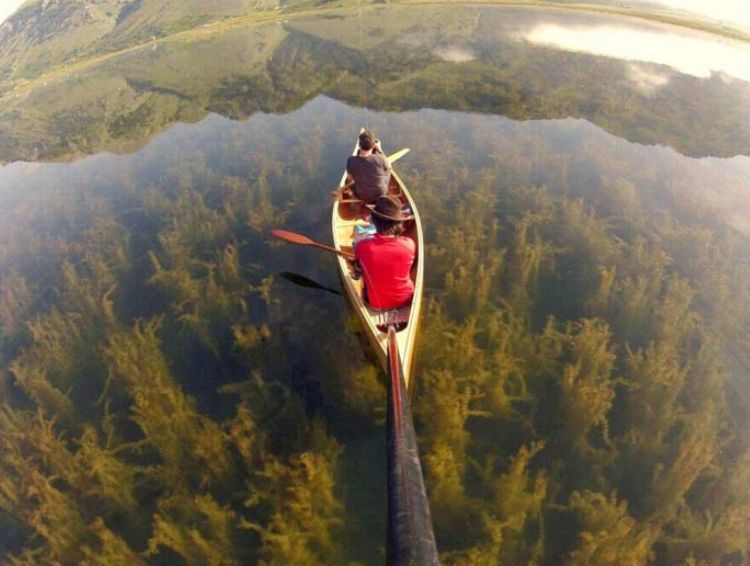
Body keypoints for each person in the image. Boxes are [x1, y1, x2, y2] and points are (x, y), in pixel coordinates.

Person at [355, 195, 415, 310]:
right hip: (406, 300)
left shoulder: (362, 245)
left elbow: (358, 261)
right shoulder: (410, 244)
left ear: (374, 221)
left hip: (376, 303)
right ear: (398, 222)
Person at [346, 130, 392, 204]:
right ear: (374, 146)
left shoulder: (351, 160)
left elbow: (349, 179)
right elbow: (389, 168)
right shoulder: (380, 158)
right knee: (388, 171)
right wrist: (380, 149)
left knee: (350, 183)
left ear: (359, 145)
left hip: (362, 196)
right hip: (381, 194)